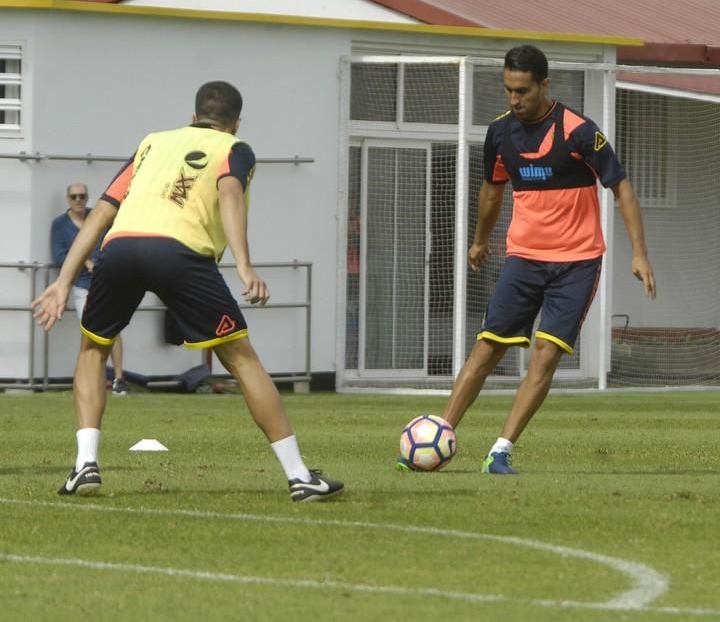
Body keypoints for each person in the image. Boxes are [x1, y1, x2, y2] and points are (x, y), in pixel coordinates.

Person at [33, 80, 344, 502]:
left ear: (191, 116)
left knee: (93, 348)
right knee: (241, 358)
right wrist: (245, 264)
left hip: (121, 247)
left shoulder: (151, 143)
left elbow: (103, 210)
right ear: (235, 123)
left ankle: (85, 465)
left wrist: (62, 280)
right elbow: (230, 191)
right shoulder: (236, 149)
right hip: (180, 252)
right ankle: (299, 476)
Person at [397, 45, 656, 474]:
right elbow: (492, 190)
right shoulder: (499, 133)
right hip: (524, 260)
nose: (514, 99)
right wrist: (480, 241)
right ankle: (438, 436)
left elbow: (621, 187)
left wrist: (640, 254)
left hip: (576, 263)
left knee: (545, 356)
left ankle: (499, 451)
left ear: (543, 85)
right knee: (485, 350)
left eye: (522, 90)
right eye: (508, 90)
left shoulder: (579, 131)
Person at [51, 183, 128, 395]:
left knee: (114, 330)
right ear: (68, 199)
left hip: (107, 283)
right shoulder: (60, 225)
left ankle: (119, 379)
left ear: (87, 198)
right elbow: (59, 255)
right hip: (82, 286)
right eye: (74, 196)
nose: (78, 200)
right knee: (91, 333)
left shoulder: (99, 218)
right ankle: (93, 380)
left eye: (82, 196)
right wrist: (85, 262)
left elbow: (113, 242)